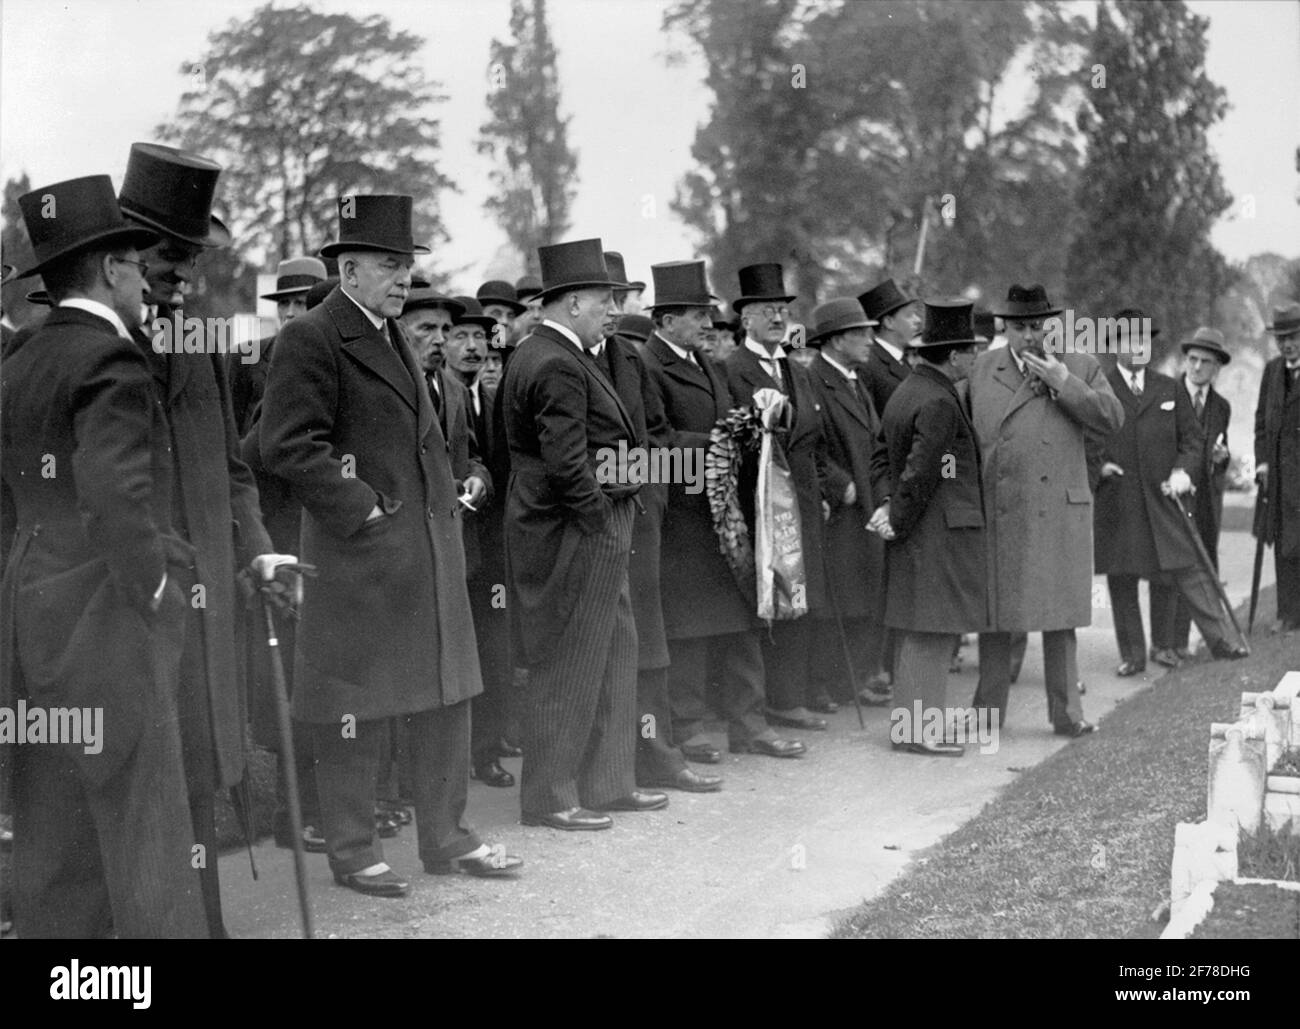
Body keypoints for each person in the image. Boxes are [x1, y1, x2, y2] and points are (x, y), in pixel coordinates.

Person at [261, 194, 520, 896]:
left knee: (445, 694)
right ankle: (352, 849)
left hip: (429, 550)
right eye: (388, 262)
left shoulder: (391, 333)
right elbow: (284, 443)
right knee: (357, 705)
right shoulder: (312, 336)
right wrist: (363, 509)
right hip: (359, 557)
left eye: (407, 263)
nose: (403, 275)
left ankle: (447, 835)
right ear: (347, 268)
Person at [1, 174, 206, 936]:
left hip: (31, 628)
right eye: (137, 264)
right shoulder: (112, 363)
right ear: (114, 267)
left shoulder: (18, 362)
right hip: (113, 630)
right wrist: (157, 590)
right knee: (147, 839)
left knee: (56, 847)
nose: (146, 286)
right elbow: (118, 499)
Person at [118, 142, 291, 936]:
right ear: (122, 250)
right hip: (129, 600)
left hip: (210, 598)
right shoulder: (91, 343)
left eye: (191, 258)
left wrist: (255, 545)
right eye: (165, 255)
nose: (180, 273)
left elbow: (233, 469)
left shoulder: (207, 343)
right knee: (134, 772)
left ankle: (204, 923)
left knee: (198, 765)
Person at [501, 238, 668, 830]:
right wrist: (599, 522)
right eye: (605, 300)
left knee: (615, 651)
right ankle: (550, 795)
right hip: (577, 529)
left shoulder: (563, 354)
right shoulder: (552, 361)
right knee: (570, 659)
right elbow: (566, 462)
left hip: (595, 522)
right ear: (572, 302)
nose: (613, 310)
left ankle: (607, 782)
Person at [967, 284, 1123, 737]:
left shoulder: (1080, 365)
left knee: (1060, 619)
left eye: (1037, 326)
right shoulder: (982, 370)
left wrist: (1063, 384)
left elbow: (1112, 418)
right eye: (1019, 328)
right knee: (997, 619)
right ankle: (986, 716)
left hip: (1058, 509)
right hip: (1004, 508)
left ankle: (1067, 715)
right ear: (1005, 329)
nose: (1030, 336)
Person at [724, 263, 841, 734]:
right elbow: (731, 438)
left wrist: (821, 490)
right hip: (760, 504)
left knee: (799, 592)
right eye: (766, 310)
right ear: (745, 318)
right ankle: (767, 701)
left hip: (805, 503)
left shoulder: (796, 370)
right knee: (768, 596)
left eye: (783, 309)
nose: (777, 317)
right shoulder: (733, 370)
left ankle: (791, 696)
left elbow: (813, 437)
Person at [869, 300, 987, 756]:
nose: (976, 359)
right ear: (954, 356)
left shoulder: (909, 391)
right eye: (971, 352)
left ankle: (914, 726)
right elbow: (924, 471)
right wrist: (896, 517)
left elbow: (882, 457)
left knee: (920, 628)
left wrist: (886, 507)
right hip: (935, 531)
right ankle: (918, 732)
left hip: (918, 527)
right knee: (932, 630)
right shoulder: (939, 400)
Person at [1094, 329, 1247, 673]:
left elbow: (1193, 441)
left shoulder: (1168, 387)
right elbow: (1085, 437)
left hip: (1162, 500)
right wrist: (1099, 465)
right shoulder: (1100, 388)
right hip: (1118, 500)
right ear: (1115, 347)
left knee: (1169, 571)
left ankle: (1164, 646)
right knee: (1122, 578)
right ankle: (1131, 656)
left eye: (1144, 342)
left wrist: (1183, 473)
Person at [803, 298, 889, 706]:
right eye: (860, 333)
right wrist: (839, 486)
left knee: (859, 597)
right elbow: (804, 446)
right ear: (837, 340)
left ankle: (849, 681)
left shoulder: (855, 381)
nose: (870, 340)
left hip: (865, 506)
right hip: (840, 511)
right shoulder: (812, 380)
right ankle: (823, 683)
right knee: (835, 600)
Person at [1172, 327, 1234, 657]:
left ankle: (1214, 638)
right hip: (1176, 498)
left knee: (1206, 568)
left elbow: (1221, 452)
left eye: (1205, 362)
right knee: (1177, 570)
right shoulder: (1169, 396)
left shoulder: (1221, 407)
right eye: (1192, 359)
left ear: (1217, 367)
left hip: (1207, 501)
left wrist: (1222, 461)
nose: (1196, 367)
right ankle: (1175, 643)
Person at [1254, 300, 1300, 632]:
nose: (1287, 344)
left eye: (1294, 336)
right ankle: (1287, 615)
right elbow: (1260, 423)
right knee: (1283, 547)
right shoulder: (1271, 371)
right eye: (1281, 338)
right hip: (1279, 479)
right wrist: (1261, 463)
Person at [858, 277, 920, 418]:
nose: (918, 320)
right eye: (909, 315)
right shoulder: (868, 365)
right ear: (889, 322)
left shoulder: (902, 361)